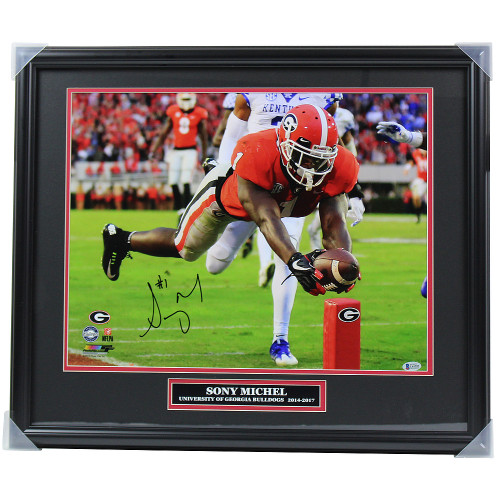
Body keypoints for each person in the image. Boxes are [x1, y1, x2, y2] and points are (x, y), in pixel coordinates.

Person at [102, 104, 360, 366]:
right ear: (285, 145)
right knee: (185, 248)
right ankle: (120, 239)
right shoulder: (257, 150)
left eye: (320, 159)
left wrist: (344, 264)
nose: (313, 167)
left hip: (281, 207)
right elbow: (266, 217)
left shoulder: (341, 166)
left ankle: (280, 338)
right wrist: (294, 259)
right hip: (227, 201)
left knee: (263, 256)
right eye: (305, 157)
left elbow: (334, 224)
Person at [205, 92, 342, 366]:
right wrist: (225, 169)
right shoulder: (252, 89)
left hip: (295, 187)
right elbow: (232, 133)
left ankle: (281, 339)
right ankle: (251, 235)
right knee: (215, 263)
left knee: (289, 258)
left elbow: (330, 143)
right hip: (252, 182)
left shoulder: (324, 93)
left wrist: (353, 192)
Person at [308, 104, 364, 249]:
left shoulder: (342, 117)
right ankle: (324, 258)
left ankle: (338, 260)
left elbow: (349, 155)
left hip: (330, 180)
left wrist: (355, 194)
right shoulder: (312, 111)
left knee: (332, 230)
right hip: (315, 175)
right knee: (319, 230)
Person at [149, 93, 208, 211]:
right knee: (173, 181)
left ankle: (186, 208)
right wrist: (154, 149)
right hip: (176, 150)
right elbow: (164, 133)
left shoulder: (198, 113)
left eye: (188, 99)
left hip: (190, 150)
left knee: (186, 179)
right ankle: (179, 207)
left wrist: (204, 155)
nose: (186, 102)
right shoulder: (173, 112)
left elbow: (203, 137)